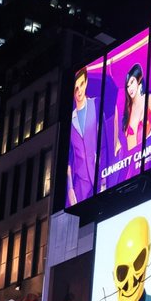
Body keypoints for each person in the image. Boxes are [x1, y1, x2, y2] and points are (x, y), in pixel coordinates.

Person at [65, 67, 98, 207]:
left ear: (87, 82)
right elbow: (68, 158)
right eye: (75, 88)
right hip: (80, 182)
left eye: (81, 85)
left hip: (99, 173)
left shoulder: (96, 104)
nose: (78, 91)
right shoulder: (70, 120)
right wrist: (70, 189)